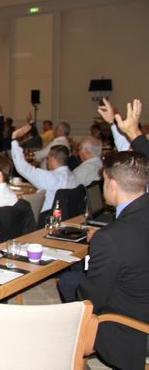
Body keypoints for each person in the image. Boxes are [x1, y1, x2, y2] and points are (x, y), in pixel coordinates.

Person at [64, 151, 149, 370]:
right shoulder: (118, 232)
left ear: (112, 184)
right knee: (71, 280)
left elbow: (91, 299)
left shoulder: (110, 238)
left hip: (132, 331)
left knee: (72, 295)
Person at [11, 124, 78, 212]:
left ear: (53, 158)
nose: (47, 160)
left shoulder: (51, 178)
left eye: (48, 158)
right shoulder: (73, 177)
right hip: (65, 214)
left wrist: (14, 140)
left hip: (46, 216)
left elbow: (22, 168)